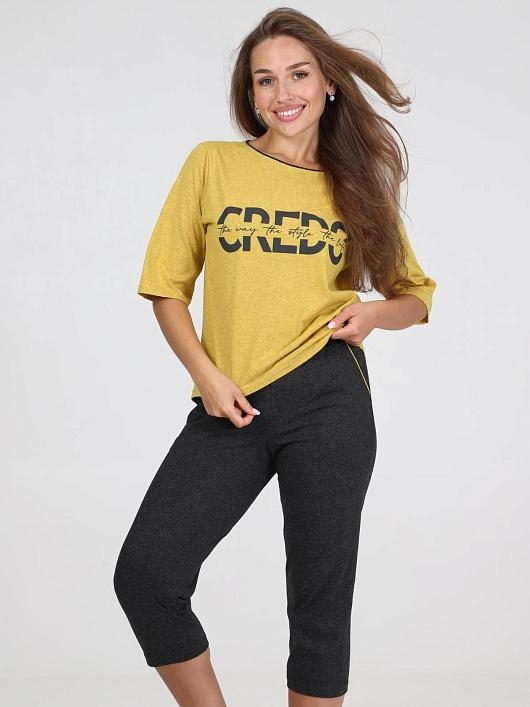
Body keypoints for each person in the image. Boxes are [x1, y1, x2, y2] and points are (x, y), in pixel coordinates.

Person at [113, 7, 437, 706]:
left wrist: (373, 313)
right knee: (147, 574)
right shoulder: (214, 164)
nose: (282, 93)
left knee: (319, 604)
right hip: (229, 399)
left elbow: (415, 295)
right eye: (265, 80)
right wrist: (205, 375)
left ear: (328, 85)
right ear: (250, 93)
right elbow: (166, 288)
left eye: (298, 75)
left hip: (329, 396)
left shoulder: (354, 184)